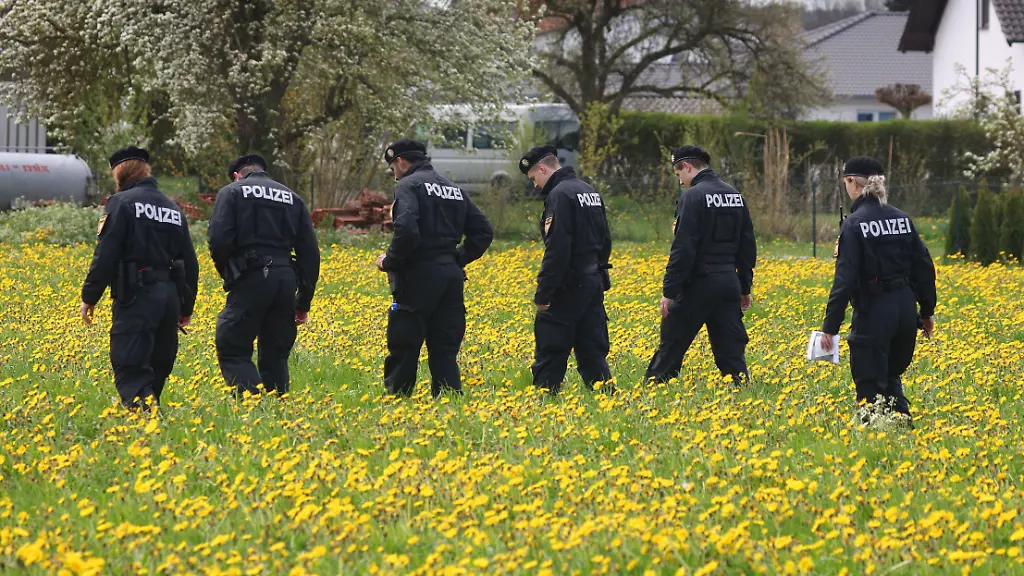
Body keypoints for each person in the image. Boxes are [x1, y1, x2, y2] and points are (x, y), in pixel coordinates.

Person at [80, 146, 199, 409]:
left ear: (120, 173)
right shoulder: (172, 208)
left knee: (130, 360)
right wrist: (185, 306)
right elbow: (190, 262)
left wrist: (90, 297)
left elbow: (106, 254)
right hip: (168, 296)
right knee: (159, 362)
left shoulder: (121, 204)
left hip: (136, 294)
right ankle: (148, 409)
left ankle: (143, 419)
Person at [820, 156, 936, 426]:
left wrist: (830, 326)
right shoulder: (902, 219)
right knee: (891, 374)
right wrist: (927, 311)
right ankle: (902, 427)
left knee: (869, 382)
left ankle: (874, 437)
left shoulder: (854, 224)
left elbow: (844, 280)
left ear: (852, 182)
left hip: (874, 310)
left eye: (845, 181)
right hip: (905, 310)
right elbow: (924, 268)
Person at [376, 139, 493, 398]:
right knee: (445, 345)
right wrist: (457, 258)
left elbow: (406, 231)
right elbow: (483, 231)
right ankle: (449, 398)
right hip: (450, 277)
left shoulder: (408, 185)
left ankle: (398, 399)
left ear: (402, 162)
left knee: (405, 342)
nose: (394, 175)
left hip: (418, 275)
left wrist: (389, 261)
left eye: (393, 168)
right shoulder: (453, 188)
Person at [207, 154, 320, 397]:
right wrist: (304, 300)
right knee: (276, 354)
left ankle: (252, 401)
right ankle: (278, 406)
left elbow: (218, 240)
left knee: (233, 347)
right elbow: (310, 252)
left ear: (238, 175)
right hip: (285, 279)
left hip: (251, 275)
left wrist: (229, 272)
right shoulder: (293, 198)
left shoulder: (233, 192)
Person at [645, 145, 756, 385]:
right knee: (731, 349)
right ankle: (741, 390)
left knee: (672, 344)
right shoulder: (735, 195)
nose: (681, 182)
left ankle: (654, 392)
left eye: (679, 176)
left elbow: (683, 249)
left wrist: (669, 292)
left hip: (699, 283)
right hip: (728, 282)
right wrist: (744, 287)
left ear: (686, 166)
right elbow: (747, 247)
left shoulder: (692, 197)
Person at [520, 145, 613, 395]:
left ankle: (546, 400)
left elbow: (557, 249)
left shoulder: (559, 195)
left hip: (568, 285)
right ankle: (607, 400)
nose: (535, 185)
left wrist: (544, 293)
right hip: (592, 282)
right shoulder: (588, 191)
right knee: (592, 350)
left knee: (551, 349)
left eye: (533, 178)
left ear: (542, 168)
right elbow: (606, 240)